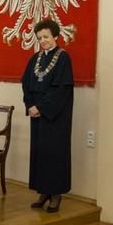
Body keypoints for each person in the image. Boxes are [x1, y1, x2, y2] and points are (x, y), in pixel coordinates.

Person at [20, 19, 74, 213]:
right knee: (40, 153)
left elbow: (61, 90)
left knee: (54, 154)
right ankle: (43, 192)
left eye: (46, 37)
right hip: (37, 114)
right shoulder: (35, 58)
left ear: (55, 36)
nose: (43, 41)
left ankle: (56, 195)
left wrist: (41, 108)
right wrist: (30, 105)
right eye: (40, 38)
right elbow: (26, 83)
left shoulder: (63, 58)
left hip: (55, 116)